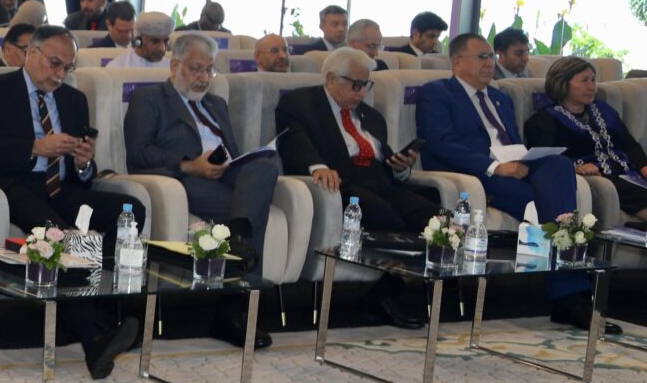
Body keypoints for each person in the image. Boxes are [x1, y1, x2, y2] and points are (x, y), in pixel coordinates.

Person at [0, 25, 146, 377]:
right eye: (55, 63)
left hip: (61, 188)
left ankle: (104, 313)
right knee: (58, 235)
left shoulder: (74, 100)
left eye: (67, 67)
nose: (60, 74)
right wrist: (34, 147)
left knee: (130, 211)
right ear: (32, 53)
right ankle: (93, 336)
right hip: (13, 187)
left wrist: (84, 162)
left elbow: (81, 173)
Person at [418, 33, 598, 330]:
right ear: (457, 63)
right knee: (545, 204)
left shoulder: (500, 97)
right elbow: (441, 144)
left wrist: (522, 162)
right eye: (482, 57)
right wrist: (495, 167)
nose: (490, 63)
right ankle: (569, 294)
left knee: (558, 164)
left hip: (516, 164)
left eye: (491, 57)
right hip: (477, 173)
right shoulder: (437, 93)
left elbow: (514, 141)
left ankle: (567, 291)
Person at [123, 33, 276, 347]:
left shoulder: (216, 103)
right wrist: (189, 165)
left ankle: (237, 234)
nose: (204, 78)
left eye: (209, 70)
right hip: (184, 180)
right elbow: (138, 153)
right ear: (174, 65)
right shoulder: (149, 99)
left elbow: (232, 152)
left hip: (225, 176)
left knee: (265, 165)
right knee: (253, 209)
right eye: (195, 69)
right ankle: (234, 312)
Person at [276, 47, 436, 329]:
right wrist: (317, 167)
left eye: (366, 85)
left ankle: (379, 296)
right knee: (394, 226)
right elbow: (295, 142)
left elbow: (384, 159)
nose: (362, 92)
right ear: (331, 78)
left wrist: (401, 167)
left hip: (383, 183)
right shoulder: (301, 103)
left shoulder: (371, 116)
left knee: (441, 224)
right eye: (356, 85)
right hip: (344, 184)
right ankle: (384, 300)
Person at [526, 56, 647, 220]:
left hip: (629, 173)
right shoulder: (546, 119)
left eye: (593, 80)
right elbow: (545, 160)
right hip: (601, 177)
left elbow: (630, 145)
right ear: (562, 83)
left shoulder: (604, 110)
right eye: (584, 81)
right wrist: (576, 168)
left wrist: (644, 169)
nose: (591, 87)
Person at [106, 11, 171, 68]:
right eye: (155, 41)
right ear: (138, 41)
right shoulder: (117, 67)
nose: (162, 48)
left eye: (165, 41)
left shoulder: (172, 68)